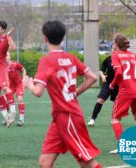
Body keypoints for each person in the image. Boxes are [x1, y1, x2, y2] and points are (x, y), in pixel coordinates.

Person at [23, 20, 102, 168]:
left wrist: (29, 85)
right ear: (63, 38)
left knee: (86, 162)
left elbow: (38, 92)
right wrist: (74, 94)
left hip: (69, 116)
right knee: (45, 162)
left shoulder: (47, 61)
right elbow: (93, 77)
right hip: (60, 117)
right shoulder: (70, 58)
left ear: (45, 38)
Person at [109, 33, 136, 154]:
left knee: (115, 119)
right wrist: (132, 77)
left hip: (126, 91)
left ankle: (122, 146)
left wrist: (112, 84)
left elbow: (119, 73)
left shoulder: (115, 55)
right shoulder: (132, 55)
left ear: (116, 44)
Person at [88, 44, 118, 126]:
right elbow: (101, 70)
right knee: (100, 100)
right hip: (108, 83)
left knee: (117, 103)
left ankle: (114, 118)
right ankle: (92, 119)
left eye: (116, 48)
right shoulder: (108, 59)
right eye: (113, 48)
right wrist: (102, 76)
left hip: (118, 85)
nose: (114, 50)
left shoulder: (122, 60)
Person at [6, 52, 26, 126]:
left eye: (7, 55)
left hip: (18, 84)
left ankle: (21, 119)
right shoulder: (3, 67)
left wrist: (24, 78)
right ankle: (7, 118)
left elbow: (23, 70)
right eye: (4, 55)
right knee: (7, 101)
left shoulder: (15, 64)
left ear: (10, 57)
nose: (5, 57)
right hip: (10, 86)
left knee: (20, 99)